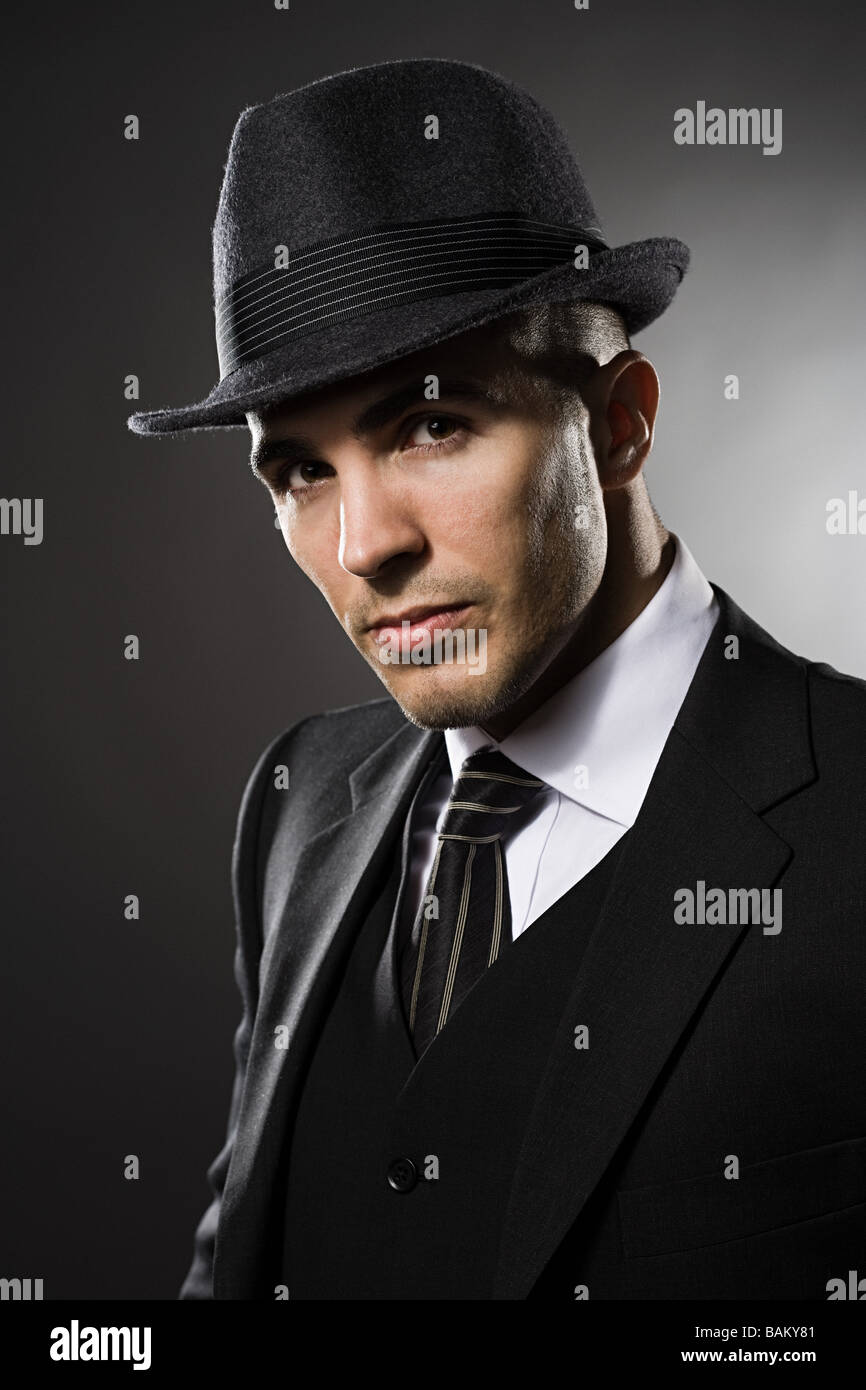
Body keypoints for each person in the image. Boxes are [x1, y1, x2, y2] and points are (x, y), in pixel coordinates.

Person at [128, 58, 866, 1301]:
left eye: (427, 425)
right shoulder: (301, 797)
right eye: (300, 471)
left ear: (617, 423)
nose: (365, 544)